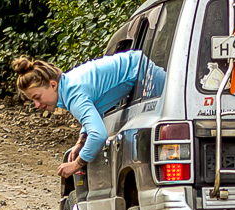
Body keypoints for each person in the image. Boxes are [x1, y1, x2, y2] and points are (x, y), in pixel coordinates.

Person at [13, 52, 161, 178]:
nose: (37, 105)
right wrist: (81, 142)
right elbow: (93, 112)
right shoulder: (69, 84)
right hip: (141, 67)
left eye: (37, 97)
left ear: (53, 85)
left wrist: (76, 165)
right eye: (32, 100)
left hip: (146, 73)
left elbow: (98, 134)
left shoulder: (73, 93)